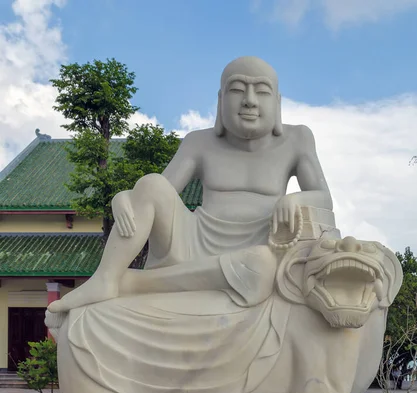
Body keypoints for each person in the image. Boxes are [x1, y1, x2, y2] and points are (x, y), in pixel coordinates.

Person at [48, 56, 337, 314]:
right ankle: (108, 279)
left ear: (278, 102)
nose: (249, 100)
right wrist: (124, 197)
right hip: (193, 242)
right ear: (221, 100)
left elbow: (324, 197)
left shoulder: (297, 139)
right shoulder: (198, 142)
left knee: (260, 264)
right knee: (150, 182)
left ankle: (136, 283)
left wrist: (296, 200)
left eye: (261, 91)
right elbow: (158, 191)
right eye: (237, 89)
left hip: (260, 245)